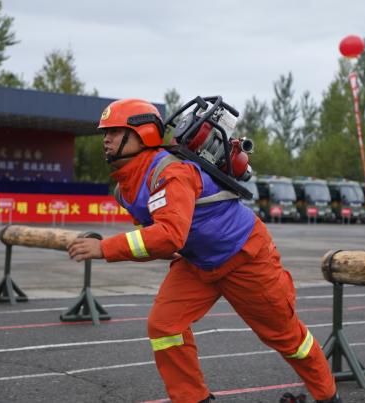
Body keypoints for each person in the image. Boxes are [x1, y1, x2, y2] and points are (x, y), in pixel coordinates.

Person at [67, 98, 340, 403]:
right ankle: (193, 399)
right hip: (198, 262)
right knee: (164, 326)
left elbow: (169, 236)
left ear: (141, 134)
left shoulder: (171, 173)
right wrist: (138, 243)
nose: (106, 139)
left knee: (287, 337)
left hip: (244, 257)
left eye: (115, 132)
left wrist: (104, 248)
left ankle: (327, 396)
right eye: (105, 133)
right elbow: (159, 233)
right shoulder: (127, 186)